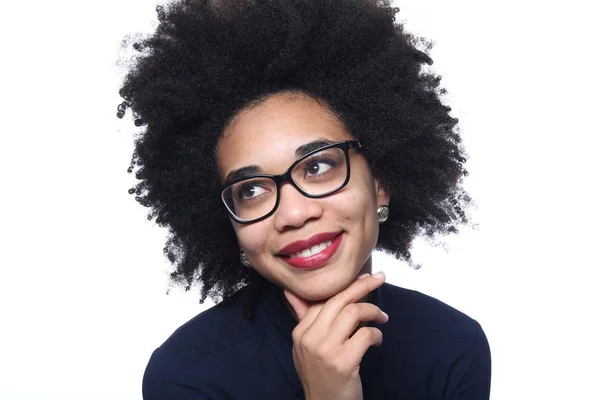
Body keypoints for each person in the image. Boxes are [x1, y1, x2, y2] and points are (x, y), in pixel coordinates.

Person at [117, 0, 492, 398]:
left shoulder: (451, 346)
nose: (294, 213)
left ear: (380, 183)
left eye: (317, 167)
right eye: (252, 190)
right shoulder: (186, 375)